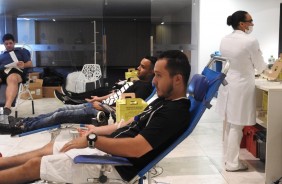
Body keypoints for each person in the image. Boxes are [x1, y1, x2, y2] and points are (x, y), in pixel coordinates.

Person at [0, 50, 191, 183]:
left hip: (115, 165)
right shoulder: (164, 102)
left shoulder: (174, 112)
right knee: (49, 148)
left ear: (177, 79)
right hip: (107, 152)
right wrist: (97, 130)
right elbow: (130, 122)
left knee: (36, 165)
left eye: (159, 75)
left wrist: (93, 140)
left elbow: (137, 148)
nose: (154, 80)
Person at [0, 56, 157, 135]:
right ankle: (25, 121)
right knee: (60, 111)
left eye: (142, 67)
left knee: (60, 116)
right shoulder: (137, 82)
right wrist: (99, 99)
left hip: (102, 112)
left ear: (151, 71)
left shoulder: (143, 88)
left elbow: (129, 111)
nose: (138, 68)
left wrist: (102, 106)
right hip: (99, 105)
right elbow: (117, 94)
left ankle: (21, 128)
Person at [216, 11, 267, 172]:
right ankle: (232, 164)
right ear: (242, 24)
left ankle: (228, 159)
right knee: (237, 125)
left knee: (229, 123)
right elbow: (260, 65)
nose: (252, 24)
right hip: (242, 85)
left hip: (227, 84)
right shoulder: (250, 41)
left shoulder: (225, 40)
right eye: (250, 21)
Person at [0, 33, 33, 115]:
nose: (8, 45)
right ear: (4, 44)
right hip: (2, 72)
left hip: (16, 71)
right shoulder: (2, 55)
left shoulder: (21, 51)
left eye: (10, 43)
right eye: (6, 44)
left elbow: (30, 63)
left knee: (12, 78)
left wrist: (24, 65)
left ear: (14, 42)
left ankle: (7, 108)